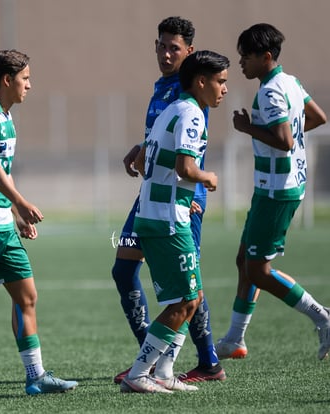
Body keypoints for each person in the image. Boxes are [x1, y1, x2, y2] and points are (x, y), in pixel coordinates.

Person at [0, 50, 78, 398]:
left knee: (27, 296)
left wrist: (14, 215)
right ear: (7, 80)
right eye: (25, 78)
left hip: (2, 223)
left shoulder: (6, 117)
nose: (30, 85)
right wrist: (21, 202)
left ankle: (36, 377)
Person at [112, 16, 226, 385]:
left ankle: (207, 361)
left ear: (189, 52)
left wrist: (196, 188)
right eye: (160, 45)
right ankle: (151, 356)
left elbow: (187, 158)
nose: (164, 53)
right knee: (124, 269)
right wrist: (141, 147)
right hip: (153, 196)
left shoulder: (192, 90)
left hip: (181, 198)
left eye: (173, 47)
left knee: (188, 286)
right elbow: (163, 136)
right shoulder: (163, 86)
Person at [215, 23, 330, 361]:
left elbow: (285, 140)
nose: (240, 63)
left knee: (258, 271)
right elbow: (318, 117)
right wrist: (285, 131)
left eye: (246, 56)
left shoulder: (269, 91)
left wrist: (247, 127)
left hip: (277, 191)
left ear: (265, 57)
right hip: (276, 186)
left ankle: (323, 317)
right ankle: (235, 338)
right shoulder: (290, 82)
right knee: (244, 260)